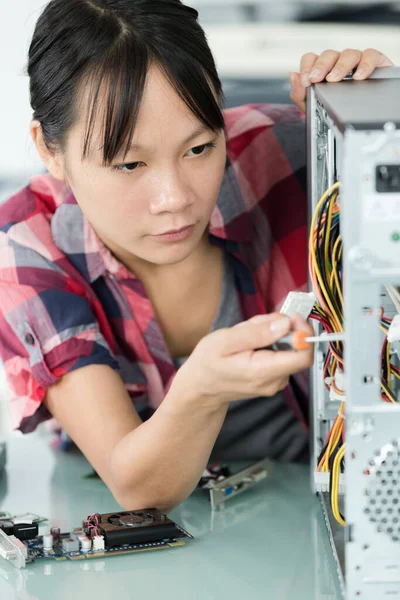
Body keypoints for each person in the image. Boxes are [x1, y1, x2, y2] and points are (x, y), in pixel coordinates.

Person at [0, 0, 393, 512]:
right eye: (129, 164)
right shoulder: (27, 245)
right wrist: (201, 391)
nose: (175, 198)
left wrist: (384, 120)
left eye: (199, 149)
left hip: (327, 513)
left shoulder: (292, 150)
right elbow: (137, 485)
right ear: (50, 151)